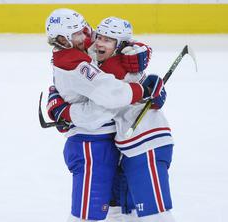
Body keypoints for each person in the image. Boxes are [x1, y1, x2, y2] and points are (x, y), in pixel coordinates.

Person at [48, 15, 175, 222]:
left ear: (120, 46)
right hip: (124, 148)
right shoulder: (105, 62)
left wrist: (67, 112)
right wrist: (57, 90)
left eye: (108, 40)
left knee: (155, 214)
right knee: (123, 212)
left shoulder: (118, 70)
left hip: (146, 144)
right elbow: (85, 67)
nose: (97, 42)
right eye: (99, 36)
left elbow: (100, 109)